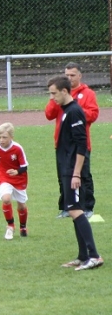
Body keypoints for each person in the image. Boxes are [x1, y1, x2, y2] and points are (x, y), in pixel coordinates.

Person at [48, 76, 103, 271]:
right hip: (66, 168)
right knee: (74, 210)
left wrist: (76, 173)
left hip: (72, 169)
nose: (51, 97)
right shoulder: (65, 111)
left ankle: (94, 256)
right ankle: (83, 256)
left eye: (54, 93)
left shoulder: (74, 112)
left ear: (64, 91)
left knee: (75, 209)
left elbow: (82, 144)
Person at [44, 62, 99, 218]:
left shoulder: (87, 94)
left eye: (72, 75)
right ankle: (66, 207)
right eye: (67, 75)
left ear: (80, 76)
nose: (69, 78)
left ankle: (87, 206)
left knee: (84, 175)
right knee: (63, 175)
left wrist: (76, 111)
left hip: (80, 143)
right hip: (61, 143)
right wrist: (55, 100)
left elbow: (93, 114)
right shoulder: (58, 95)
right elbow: (49, 114)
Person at [0, 123, 29, 240]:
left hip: (19, 178)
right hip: (4, 177)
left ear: (11, 137)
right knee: (6, 199)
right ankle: (10, 226)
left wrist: (16, 171)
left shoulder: (18, 148)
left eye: (4, 137)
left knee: (21, 206)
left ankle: (23, 227)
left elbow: (24, 166)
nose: (1, 140)